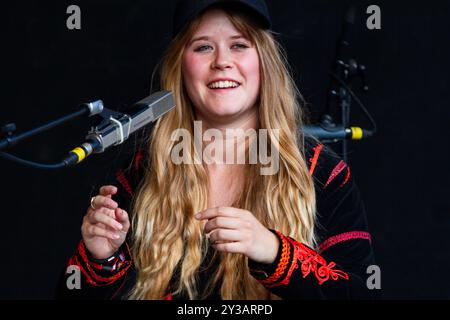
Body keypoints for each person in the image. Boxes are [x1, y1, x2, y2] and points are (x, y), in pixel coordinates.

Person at [57, 0, 379, 300]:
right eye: (203, 47)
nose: (222, 61)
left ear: (264, 62)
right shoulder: (143, 172)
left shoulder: (320, 172)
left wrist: (273, 250)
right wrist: (101, 258)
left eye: (239, 45)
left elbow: (364, 294)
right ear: (181, 67)